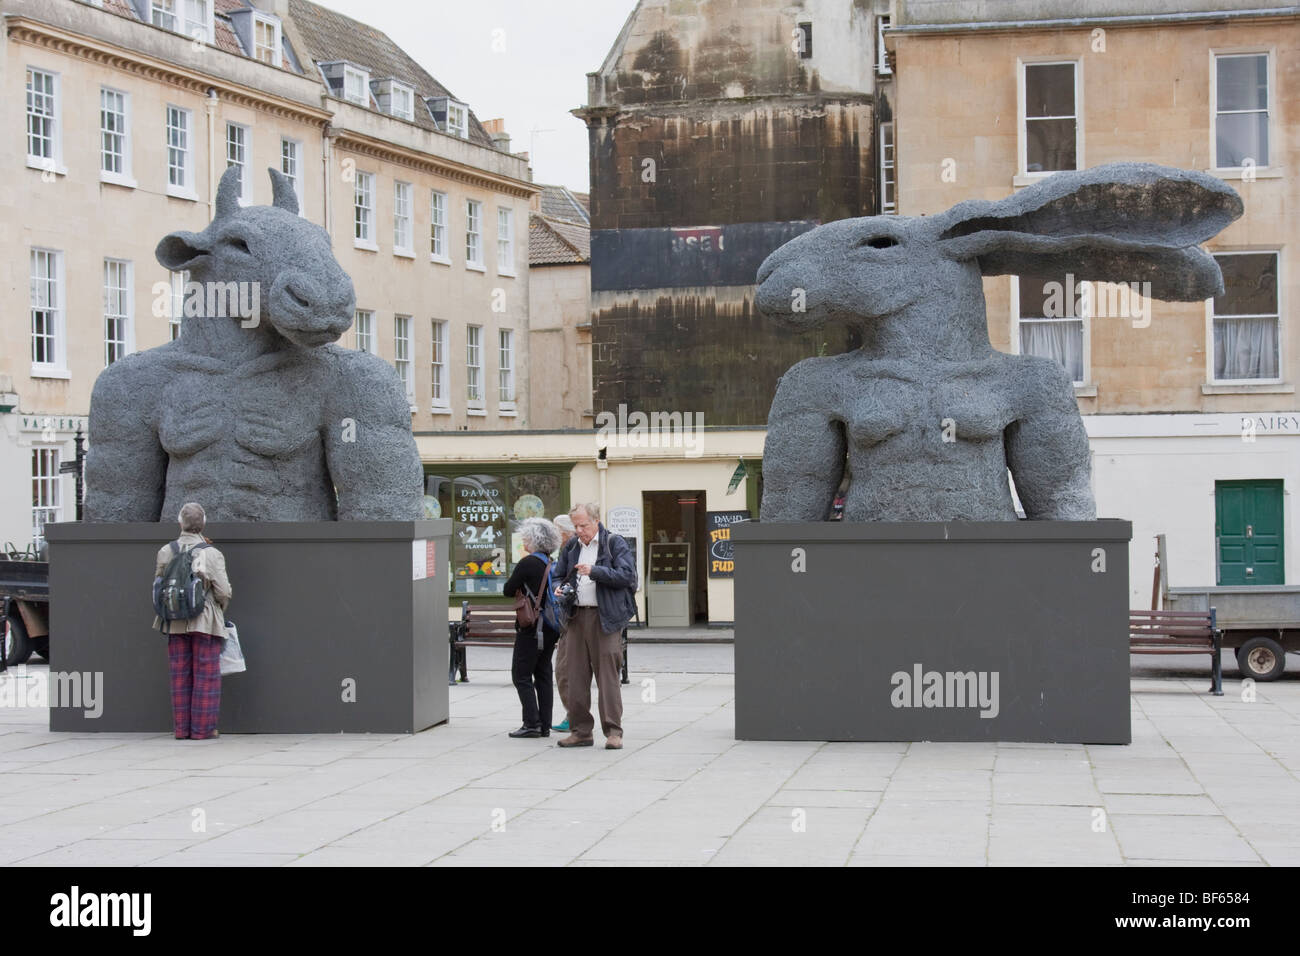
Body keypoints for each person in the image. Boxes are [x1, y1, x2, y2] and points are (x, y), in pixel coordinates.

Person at [552, 503, 637, 749]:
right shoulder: (571, 547)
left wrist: (595, 571)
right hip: (576, 616)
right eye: (575, 526)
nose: (579, 530)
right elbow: (559, 574)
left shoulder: (614, 543)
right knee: (573, 675)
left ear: (596, 521)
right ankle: (580, 731)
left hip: (605, 618)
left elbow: (627, 576)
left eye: (583, 525)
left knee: (607, 676)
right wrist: (559, 586)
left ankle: (613, 732)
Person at [153, 502, 231, 740]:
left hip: (174, 621)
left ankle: (181, 729)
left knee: (179, 675)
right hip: (205, 620)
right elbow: (223, 591)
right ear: (203, 523)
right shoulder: (211, 553)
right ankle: (202, 730)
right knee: (206, 675)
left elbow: (158, 584)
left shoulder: (167, 551)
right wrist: (219, 609)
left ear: (180, 523)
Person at [501, 517, 563, 738]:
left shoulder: (528, 563)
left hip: (531, 628)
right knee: (543, 673)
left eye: (525, 537)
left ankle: (531, 723)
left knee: (521, 674)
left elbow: (508, 590)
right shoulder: (551, 562)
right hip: (550, 627)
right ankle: (545, 724)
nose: (523, 541)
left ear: (534, 540)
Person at [550, 514, 576, 733]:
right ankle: (573, 715)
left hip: (591, 617)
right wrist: (559, 586)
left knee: (566, 670)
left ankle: (576, 716)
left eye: (557, 530)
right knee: (563, 670)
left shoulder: (578, 548)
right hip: (569, 617)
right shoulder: (564, 551)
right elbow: (558, 577)